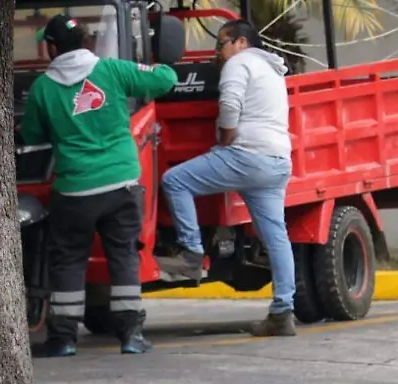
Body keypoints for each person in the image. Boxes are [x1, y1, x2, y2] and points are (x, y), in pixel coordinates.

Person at [19, 14, 178, 357]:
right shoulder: (113, 70)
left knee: (69, 260)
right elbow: (166, 79)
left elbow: (31, 135)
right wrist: (149, 65)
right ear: (87, 42)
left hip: (74, 189)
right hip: (121, 182)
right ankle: (131, 334)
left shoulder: (43, 88)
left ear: (51, 47)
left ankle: (62, 338)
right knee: (123, 255)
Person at [159, 19, 296, 337]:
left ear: (240, 42)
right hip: (277, 161)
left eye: (220, 44)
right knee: (276, 237)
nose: (217, 52)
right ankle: (282, 313)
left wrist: (226, 136)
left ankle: (191, 254)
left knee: (175, 181)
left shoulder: (240, 63)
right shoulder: (271, 70)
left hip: (246, 155)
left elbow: (230, 104)